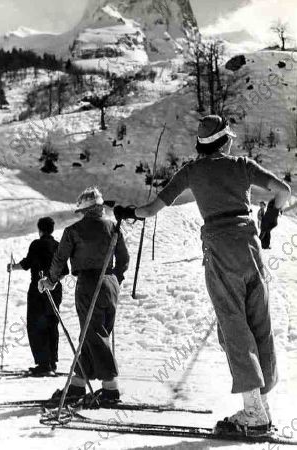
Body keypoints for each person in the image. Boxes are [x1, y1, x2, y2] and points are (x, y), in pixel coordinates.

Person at [114, 115, 291, 432]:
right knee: (258, 322)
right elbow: (283, 190)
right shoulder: (241, 165)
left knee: (233, 326)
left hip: (220, 251)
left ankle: (254, 413)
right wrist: (269, 224)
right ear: (224, 140)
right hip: (250, 248)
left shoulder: (192, 172)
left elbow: (152, 209)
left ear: (201, 144)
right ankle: (261, 406)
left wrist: (128, 212)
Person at [39, 187, 129, 403]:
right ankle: (77, 385)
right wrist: (115, 278)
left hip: (89, 284)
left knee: (94, 335)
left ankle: (110, 389)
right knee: (92, 334)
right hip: (110, 283)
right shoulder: (114, 227)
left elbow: (60, 261)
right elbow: (124, 258)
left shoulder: (74, 231)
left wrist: (50, 281)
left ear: (84, 209)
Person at [7, 217, 69, 376]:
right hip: (55, 289)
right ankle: (52, 362)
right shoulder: (58, 245)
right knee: (52, 324)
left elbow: (27, 263)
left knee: (36, 325)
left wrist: (12, 267)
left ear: (40, 229)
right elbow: (64, 271)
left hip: (37, 290)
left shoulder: (36, 244)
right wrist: (52, 282)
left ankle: (43, 364)